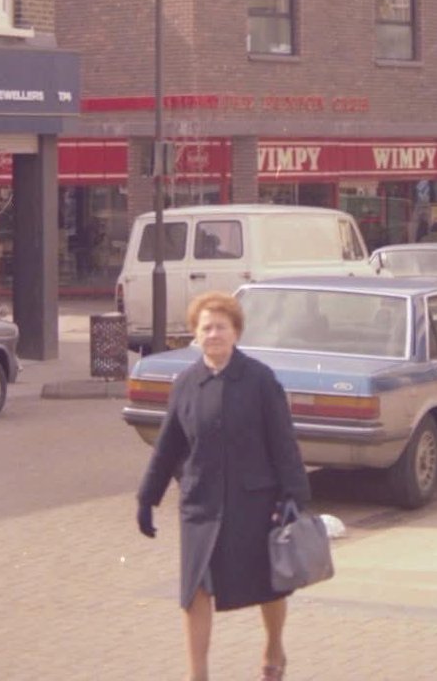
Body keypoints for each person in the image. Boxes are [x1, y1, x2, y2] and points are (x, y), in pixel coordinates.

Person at [136, 291, 310, 681]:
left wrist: (293, 497)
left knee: (269, 585)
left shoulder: (260, 380)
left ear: (236, 332)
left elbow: (283, 442)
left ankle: (274, 647)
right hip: (200, 505)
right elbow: (168, 445)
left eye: (221, 327)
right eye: (206, 328)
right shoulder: (186, 383)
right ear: (195, 335)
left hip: (254, 504)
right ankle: (197, 674)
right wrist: (147, 498)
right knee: (194, 588)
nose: (213, 334)